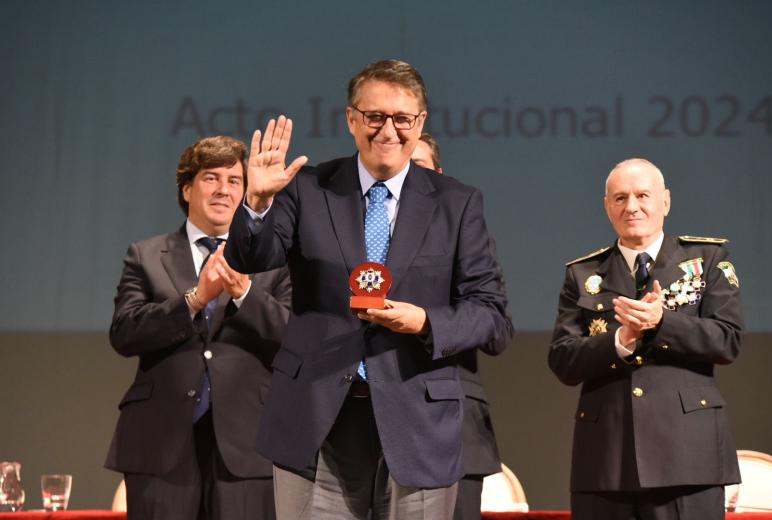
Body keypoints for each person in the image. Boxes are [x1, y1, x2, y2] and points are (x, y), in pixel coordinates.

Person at [225, 59, 508, 519]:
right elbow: (252, 259)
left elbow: (490, 312)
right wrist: (256, 203)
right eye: (375, 117)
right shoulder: (308, 188)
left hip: (418, 419)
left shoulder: (457, 203)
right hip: (318, 417)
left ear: (420, 123)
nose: (388, 130)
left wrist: (424, 321)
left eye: (402, 119)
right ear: (352, 119)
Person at [105, 136, 291, 520]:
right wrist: (193, 299)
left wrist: (244, 292)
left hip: (248, 445)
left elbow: (294, 336)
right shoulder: (146, 254)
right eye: (211, 178)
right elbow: (124, 332)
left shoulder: (274, 260)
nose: (224, 189)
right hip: (161, 444)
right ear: (187, 188)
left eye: (235, 180)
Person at [549, 158, 742, 520]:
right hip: (606, 458)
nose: (632, 206)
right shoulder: (583, 273)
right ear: (607, 206)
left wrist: (662, 323)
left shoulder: (707, 258)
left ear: (665, 202)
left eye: (642, 195)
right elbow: (563, 360)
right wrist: (620, 340)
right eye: (620, 198)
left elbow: (727, 340)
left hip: (688, 457)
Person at [413, 133, 512, 519]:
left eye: (419, 167)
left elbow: (498, 331)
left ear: (440, 176)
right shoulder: (362, 233)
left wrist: (426, 323)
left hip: (454, 428)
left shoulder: (467, 237)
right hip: (373, 430)